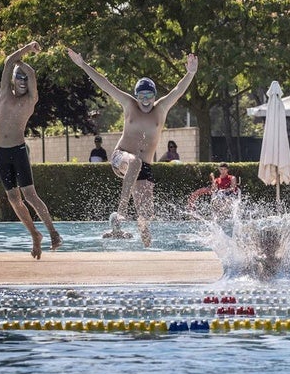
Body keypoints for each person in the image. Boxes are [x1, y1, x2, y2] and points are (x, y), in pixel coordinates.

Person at [68, 48, 197, 246]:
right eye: (141, 96)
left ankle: (147, 250)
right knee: (135, 162)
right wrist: (83, 65)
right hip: (121, 157)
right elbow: (105, 84)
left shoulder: (161, 108)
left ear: (154, 96)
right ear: (136, 96)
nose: (145, 100)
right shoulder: (129, 105)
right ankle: (121, 209)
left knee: (146, 217)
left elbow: (178, 91)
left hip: (144, 167)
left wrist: (190, 73)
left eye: (149, 96)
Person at [0, 41, 62, 259]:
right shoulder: (5, 94)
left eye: (26, 79)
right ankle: (35, 236)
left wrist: (23, 62)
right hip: (1, 153)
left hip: (18, 150)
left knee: (30, 196)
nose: (23, 81)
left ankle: (53, 232)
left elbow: (31, 74)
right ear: (13, 80)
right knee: (14, 199)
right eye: (19, 78)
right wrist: (23, 51)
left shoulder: (31, 100)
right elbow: (7, 63)